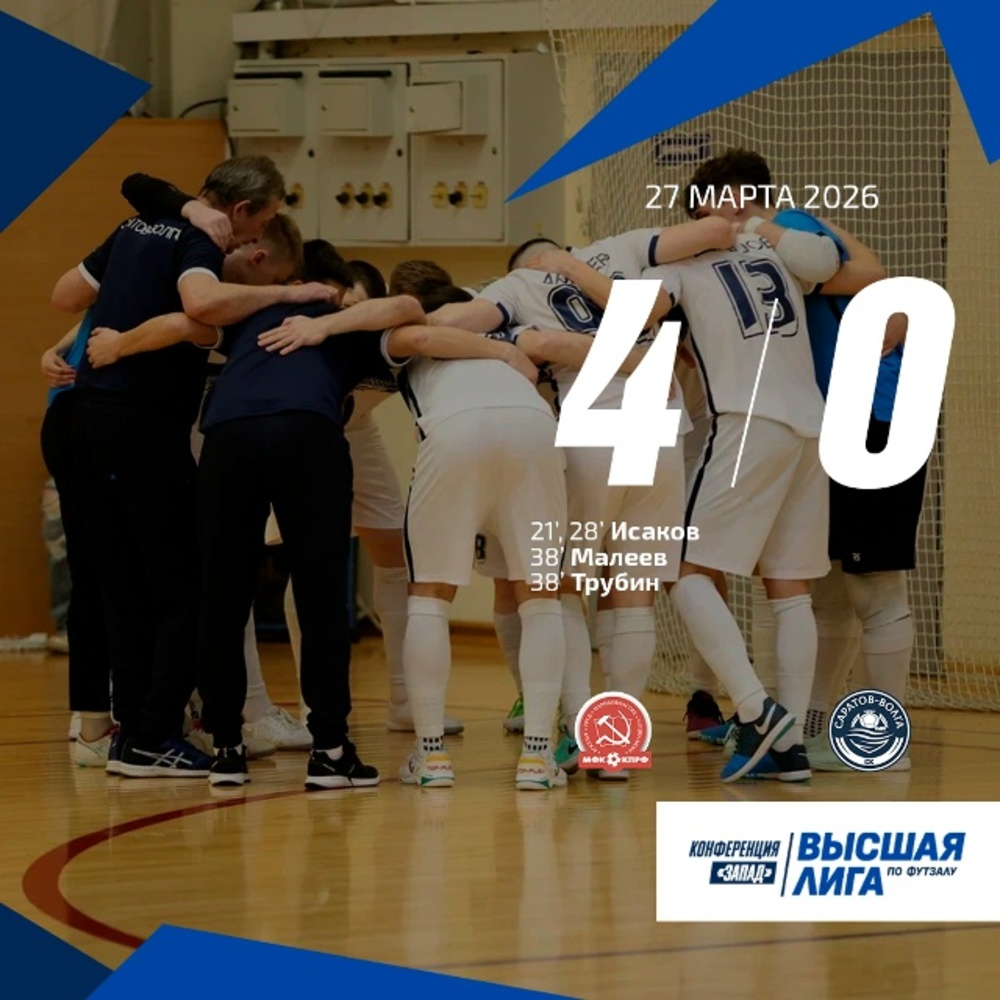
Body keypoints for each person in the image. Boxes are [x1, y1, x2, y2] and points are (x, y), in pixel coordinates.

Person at [50, 155, 335, 779]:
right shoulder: (204, 240)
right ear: (241, 213)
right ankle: (153, 732)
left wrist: (96, 333)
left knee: (122, 584)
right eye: (260, 224)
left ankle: (127, 733)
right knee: (191, 588)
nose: (253, 238)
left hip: (81, 417)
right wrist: (289, 293)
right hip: (139, 423)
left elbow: (66, 294)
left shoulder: (137, 227)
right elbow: (199, 305)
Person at [428, 218, 734, 780]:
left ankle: (574, 727)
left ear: (524, 263)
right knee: (634, 593)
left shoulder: (517, 286)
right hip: (660, 424)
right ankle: (616, 749)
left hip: (593, 426)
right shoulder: (620, 249)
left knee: (564, 588)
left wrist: (508, 333)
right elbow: (714, 231)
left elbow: (445, 323)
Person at [650, 160, 841, 782]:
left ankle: (760, 713)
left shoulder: (678, 262)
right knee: (789, 586)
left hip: (748, 420)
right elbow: (826, 261)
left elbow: (638, 310)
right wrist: (764, 225)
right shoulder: (779, 249)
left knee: (681, 567)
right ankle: (790, 749)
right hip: (809, 428)